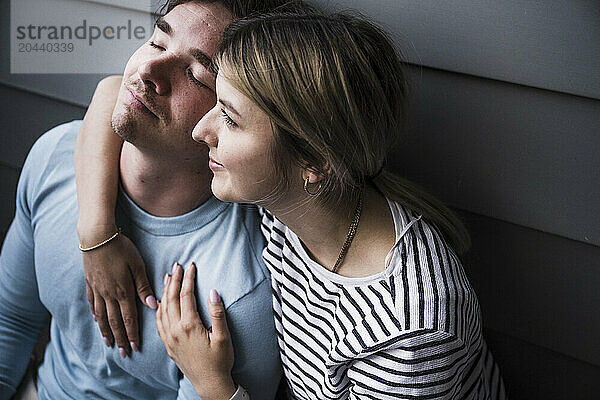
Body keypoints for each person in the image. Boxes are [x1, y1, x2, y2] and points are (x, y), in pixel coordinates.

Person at [76, 10, 507, 400]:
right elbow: (115, 92)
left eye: (228, 116)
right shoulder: (290, 198)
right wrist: (97, 232)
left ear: (314, 160)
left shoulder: (408, 333)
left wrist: (212, 383)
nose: (201, 131)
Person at [0, 1, 296, 399]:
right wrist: (96, 233)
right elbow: (11, 321)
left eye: (194, 74)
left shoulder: (239, 289)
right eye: (158, 43)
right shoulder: (55, 156)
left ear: (230, 116)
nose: (147, 71)